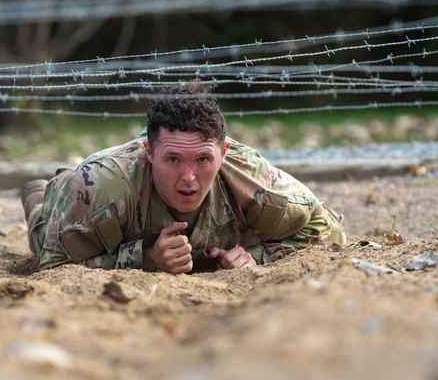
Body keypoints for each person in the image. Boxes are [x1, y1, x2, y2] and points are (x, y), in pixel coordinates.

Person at [23, 82, 346, 273]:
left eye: (203, 159)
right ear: (149, 152)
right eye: (173, 159)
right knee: (41, 227)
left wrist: (257, 257)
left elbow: (328, 231)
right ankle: (35, 194)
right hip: (74, 202)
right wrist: (145, 259)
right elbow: (52, 265)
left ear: (224, 152)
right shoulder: (98, 189)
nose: (188, 177)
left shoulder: (253, 179)